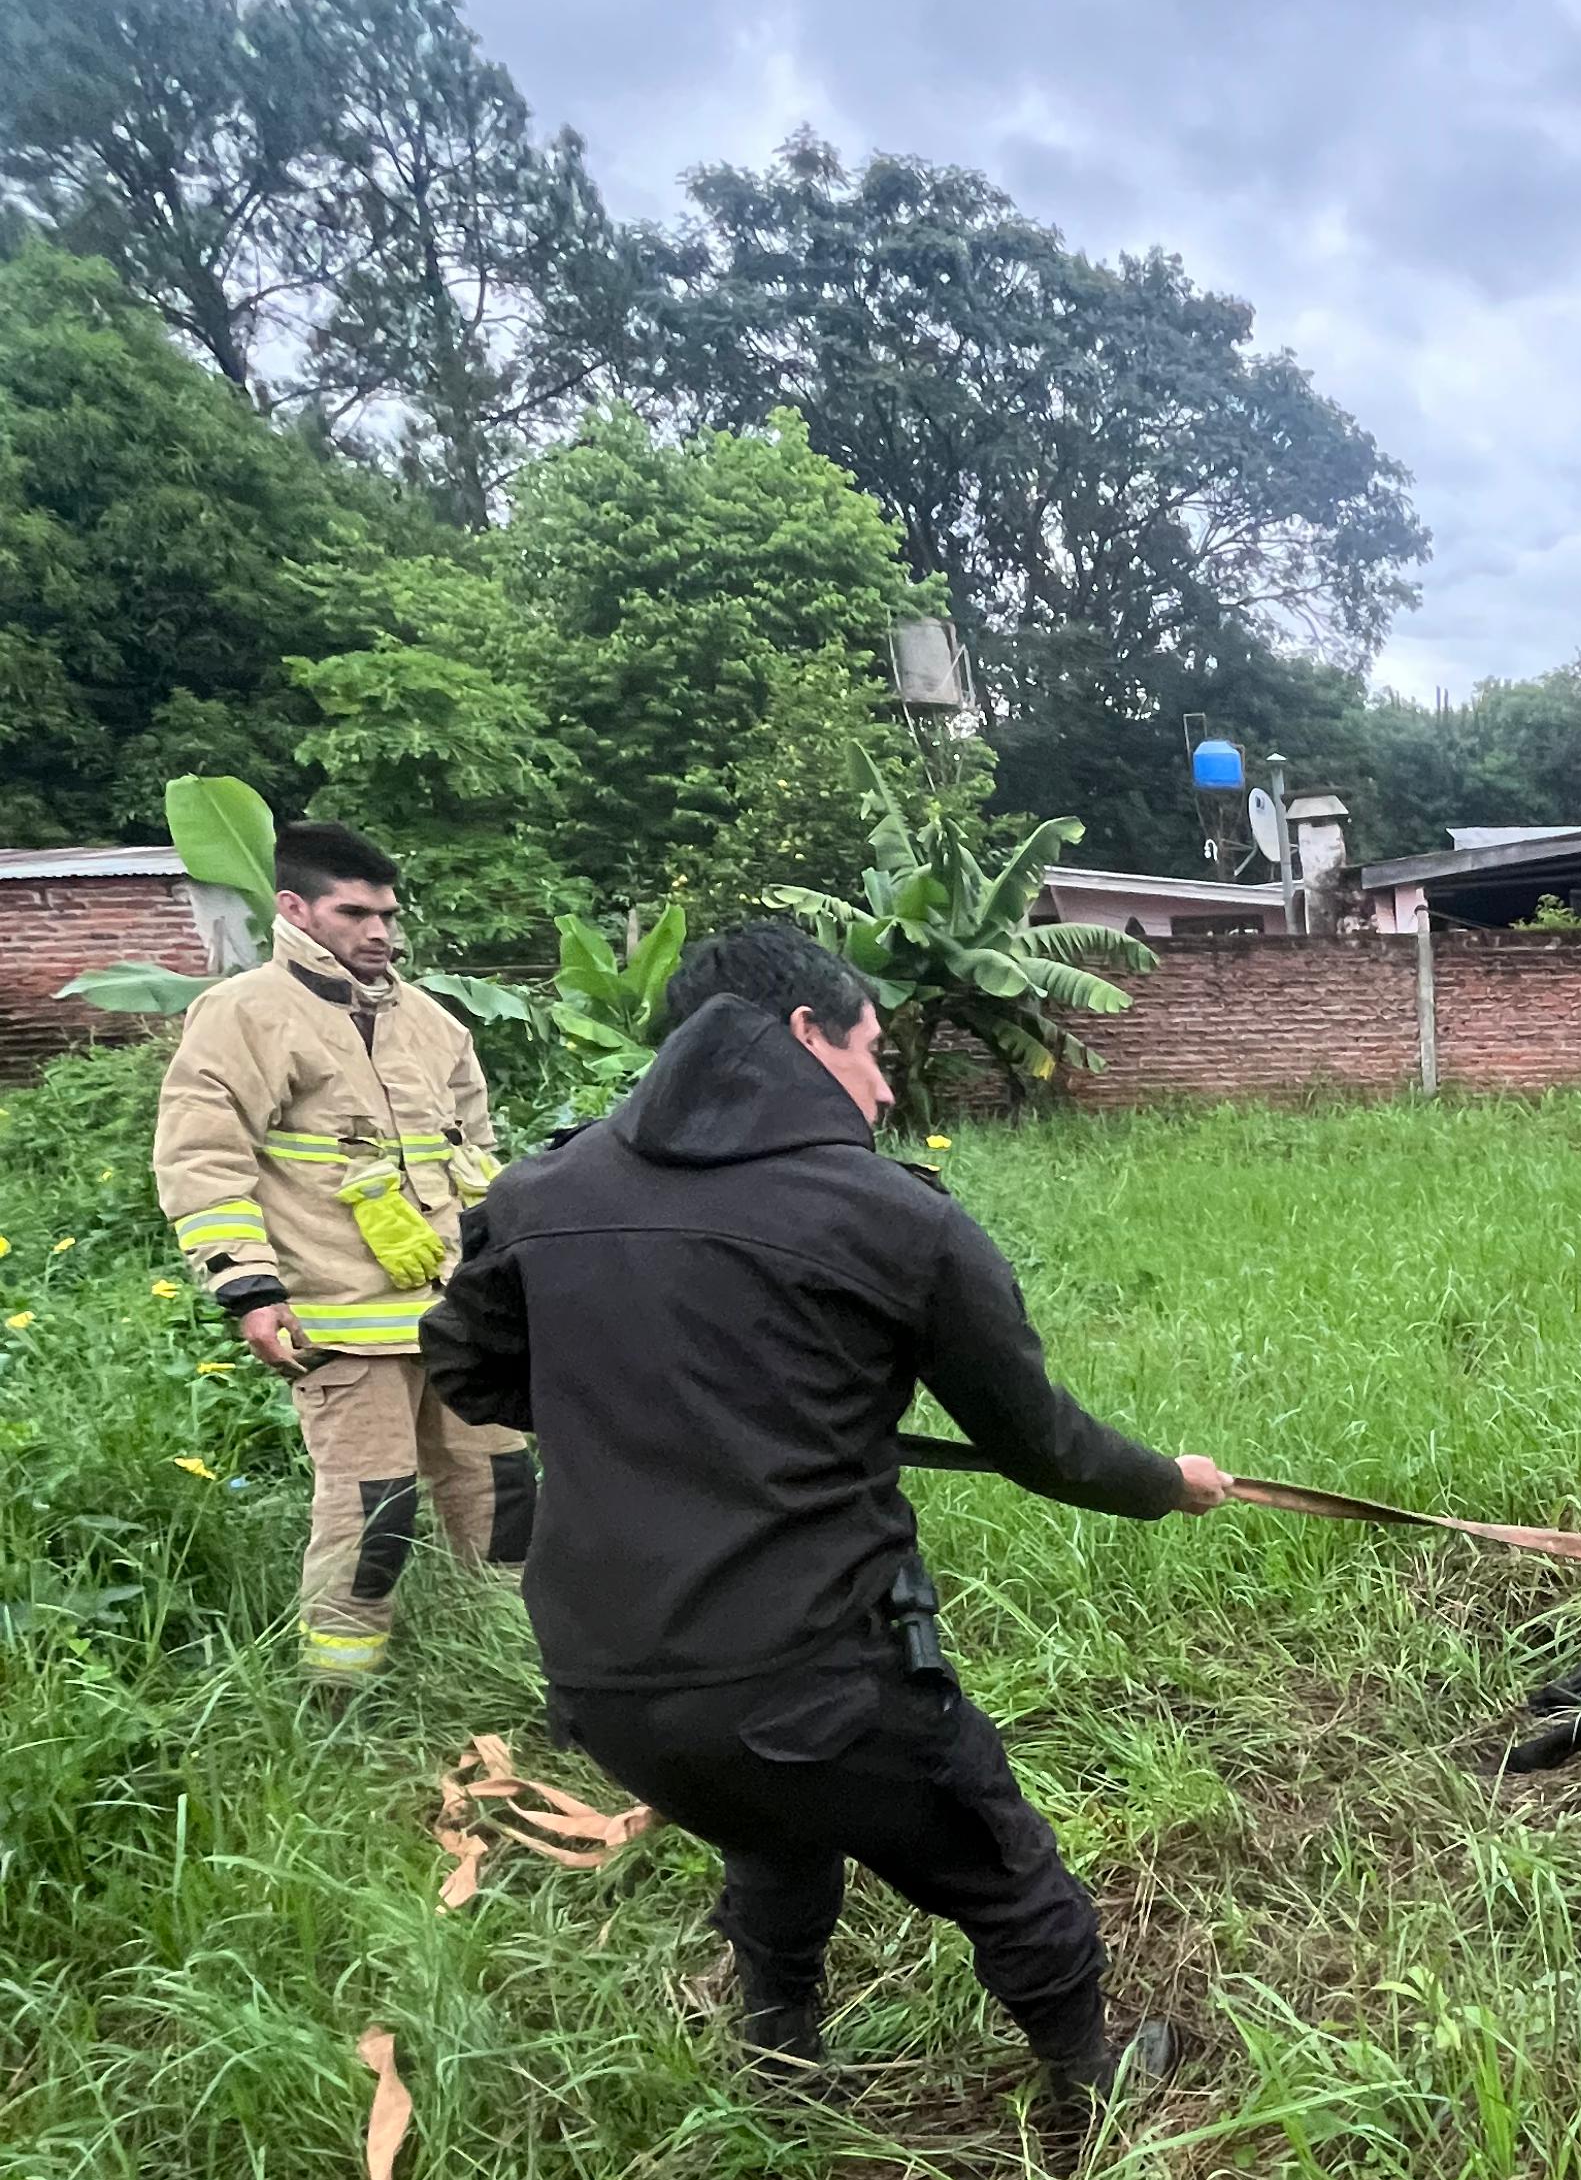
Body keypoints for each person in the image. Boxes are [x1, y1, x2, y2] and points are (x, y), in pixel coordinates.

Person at [418, 915, 1228, 2110]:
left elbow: (471, 1374)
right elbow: (1042, 1444)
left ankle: (780, 2054)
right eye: (872, 1049)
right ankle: (1088, 2082)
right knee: (998, 1864)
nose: (886, 1083)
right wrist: (1173, 1481)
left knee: (769, 1826)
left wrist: (652, 1409)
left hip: (606, 1686)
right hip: (815, 1675)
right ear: (803, 1033)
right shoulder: (897, 1218)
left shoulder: (540, 1191)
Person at [153, 816, 531, 1693]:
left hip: (458, 1321)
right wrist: (247, 1286)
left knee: (503, 1489)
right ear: (295, 909)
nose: (380, 933)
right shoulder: (243, 1015)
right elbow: (202, 1158)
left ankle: (511, 1659)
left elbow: (480, 1158)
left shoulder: (433, 1025)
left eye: (389, 915)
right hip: (339, 1323)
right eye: (356, 912)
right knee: (376, 1511)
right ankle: (339, 1696)